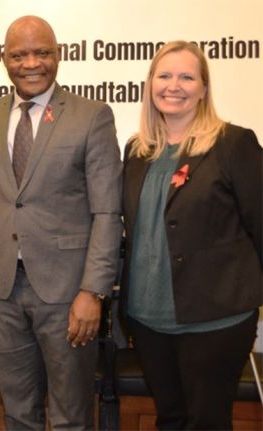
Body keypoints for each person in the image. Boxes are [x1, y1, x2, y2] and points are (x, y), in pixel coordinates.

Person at [0, 16, 123, 430]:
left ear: (58, 56)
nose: (30, 63)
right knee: (18, 412)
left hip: (67, 293)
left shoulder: (92, 116)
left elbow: (107, 212)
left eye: (42, 53)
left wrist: (94, 291)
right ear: (4, 60)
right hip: (1, 290)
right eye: (19, 55)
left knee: (70, 415)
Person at [121, 41, 262, 430]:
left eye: (187, 77)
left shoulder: (233, 143)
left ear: (203, 88)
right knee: (169, 419)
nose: (174, 85)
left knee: (207, 423)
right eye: (164, 76)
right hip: (148, 318)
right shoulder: (137, 151)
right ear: (150, 85)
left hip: (216, 317)